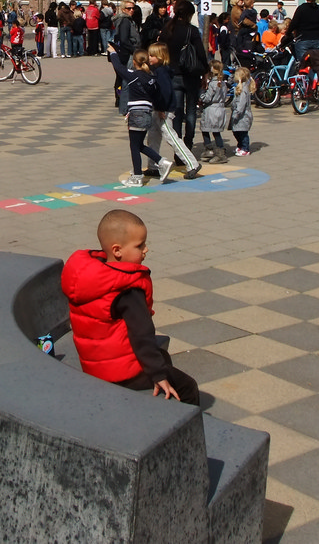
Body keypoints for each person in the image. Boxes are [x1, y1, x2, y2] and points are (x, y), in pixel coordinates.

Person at [60, 209, 200, 405]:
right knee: (187, 387)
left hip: (95, 365)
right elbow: (142, 335)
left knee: (162, 356)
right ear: (117, 250)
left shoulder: (89, 278)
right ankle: (186, 422)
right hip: (122, 374)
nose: (145, 249)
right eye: (139, 245)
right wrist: (158, 375)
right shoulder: (127, 289)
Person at [106, 45, 166, 186]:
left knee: (134, 146)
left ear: (134, 62)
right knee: (138, 145)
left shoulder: (133, 76)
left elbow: (119, 68)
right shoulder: (151, 78)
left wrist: (113, 53)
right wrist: (160, 109)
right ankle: (160, 162)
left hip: (136, 115)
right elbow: (158, 96)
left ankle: (139, 176)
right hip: (147, 114)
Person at [142, 42, 200, 180]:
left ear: (160, 57)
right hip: (157, 109)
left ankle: (192, 164)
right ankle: (153, 166)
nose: (149, 58)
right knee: (153, 137)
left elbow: (165, 92)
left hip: (164, 110)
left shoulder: (162, 72)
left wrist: (161, 108)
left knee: (171, 137)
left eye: (152, 56)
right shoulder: (157, 70)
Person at [162, 0, 209, 154]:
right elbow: (201, 53)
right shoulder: (192, 30)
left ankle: (179, 147)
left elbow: (160, 49)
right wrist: (205, 72)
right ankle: (188, 142)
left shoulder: (168, 29)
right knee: (191, 111)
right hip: (191, 75)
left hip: (172, 74)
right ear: (189, 14)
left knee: (176, 112)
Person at [198, 61, 229, 164]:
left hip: (211, 110)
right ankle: (219, 150)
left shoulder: (213, 84)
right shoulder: (223, 83)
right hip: (220, 109)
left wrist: (201, 94)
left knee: (205, 129)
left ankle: (211, 149)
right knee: (216, 132)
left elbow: (207, 98)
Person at [290, 0, 319, 64]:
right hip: (317, 39)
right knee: (316, 63)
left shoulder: (301, 9)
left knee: (303, 64)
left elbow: (294, 23)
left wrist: (288, 33)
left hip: (303, 38)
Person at [229, 65, 254, 156]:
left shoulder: (244, 90)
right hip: (238, 115)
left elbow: (241, 104)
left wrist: (237, 113)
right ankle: (240, 146)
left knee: (243, 133)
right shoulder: (239, 87)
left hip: (243, 116)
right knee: (236, 131)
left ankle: (245, 148)